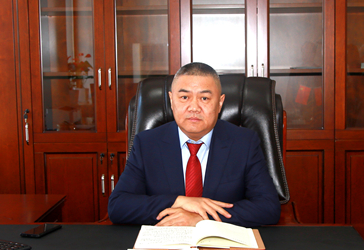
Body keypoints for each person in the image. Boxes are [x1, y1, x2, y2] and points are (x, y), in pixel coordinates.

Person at [108, 62, 280, 228]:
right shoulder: (147, 144)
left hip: (220, 244)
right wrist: (178, 201)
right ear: (171, 100)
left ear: (220, 103)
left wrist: (201, 219)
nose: (194, 107)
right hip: (167, 243)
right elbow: (118, 205)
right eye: (184, 97)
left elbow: (268, 206)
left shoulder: (244, 143)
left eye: (204, 98)